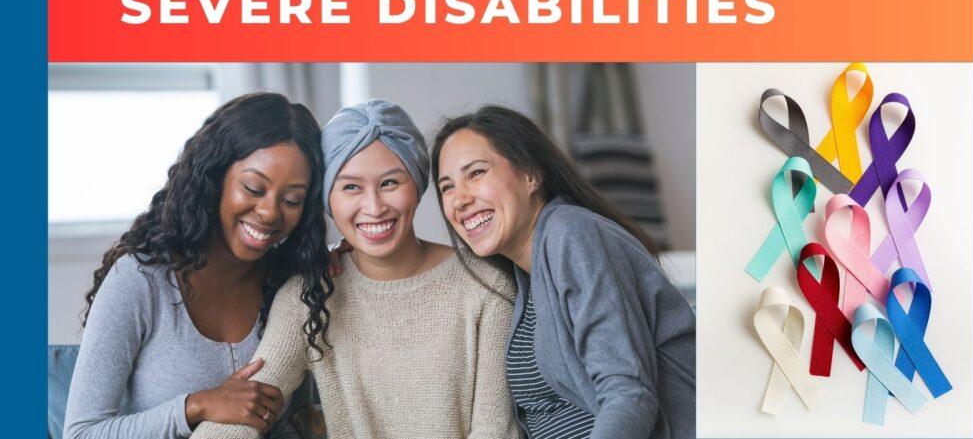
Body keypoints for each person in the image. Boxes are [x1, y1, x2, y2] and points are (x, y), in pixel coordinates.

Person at [191, 99, 520, 439]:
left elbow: (495, 429)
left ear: (418, 186)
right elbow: (247, 410)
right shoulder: (310, 295)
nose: (374, 207)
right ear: (328, 200)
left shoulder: (485, 285)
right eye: (351, 187)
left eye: (390, 183)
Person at [64, 92, 332, 439]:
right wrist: (195, 406)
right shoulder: (140, 280)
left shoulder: (293, 284)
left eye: (291, 199)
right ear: (216, 177)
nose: (269, 212)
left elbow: (296, 419)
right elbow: (81, 432)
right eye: (253, 188)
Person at [432, 105, 696, 439]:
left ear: (531, 174)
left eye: (475, 173)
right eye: (446, 187)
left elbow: (628, 394)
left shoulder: (569, 234)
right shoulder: (524, 275)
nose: (459, 200)